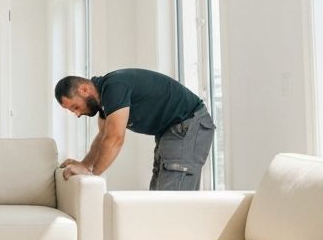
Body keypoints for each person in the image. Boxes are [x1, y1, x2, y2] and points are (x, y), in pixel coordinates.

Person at [55, 68, 215, 190]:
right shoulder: (104, 99)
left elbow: (114, 138)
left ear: (84, 90)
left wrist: (92, 175)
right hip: (170, 131)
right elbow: (102, 137)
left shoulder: (114, 87)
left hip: (188, 124)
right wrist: (84, 165)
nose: (77, 114)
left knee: (171, 200)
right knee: (159, 196)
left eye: (75, 107)